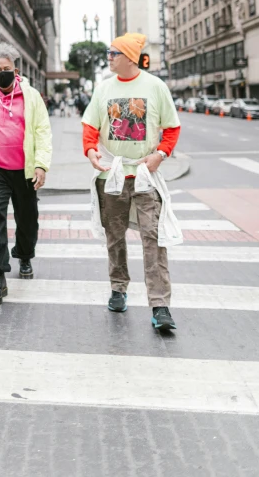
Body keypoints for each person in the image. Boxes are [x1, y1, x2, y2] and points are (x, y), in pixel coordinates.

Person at [82, 32, 181, 330]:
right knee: (115, 237)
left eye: (113, 53)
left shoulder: (155, 86)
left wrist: (160, 155)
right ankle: (118, 289)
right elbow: (90, 125)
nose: (108, 57)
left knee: (154, 238)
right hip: (111, 175)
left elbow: (172, 128)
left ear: (128, 57)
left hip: (143, 176)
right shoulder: (103, 89)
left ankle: (160, 306)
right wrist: (90, 151)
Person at [0, 43, 52, 306]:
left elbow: (42, 131)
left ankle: (24, 255)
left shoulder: (32, 97)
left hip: (25, 169)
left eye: (6, 69)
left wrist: (41, 165)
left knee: (27, 218)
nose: (2, 73)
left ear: (16, 70)